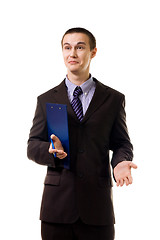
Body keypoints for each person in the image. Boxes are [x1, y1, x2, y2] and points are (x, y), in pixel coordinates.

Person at [27, 27, 137, 240]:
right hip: (57, 207)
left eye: (80, 47)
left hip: (97, 208)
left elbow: (122, 143)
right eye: (67, 48)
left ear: (93, 52)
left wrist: (120, 162)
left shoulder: (113, 99)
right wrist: (50, 151)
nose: (72, 54)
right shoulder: (47, 99)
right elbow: (32, 145)